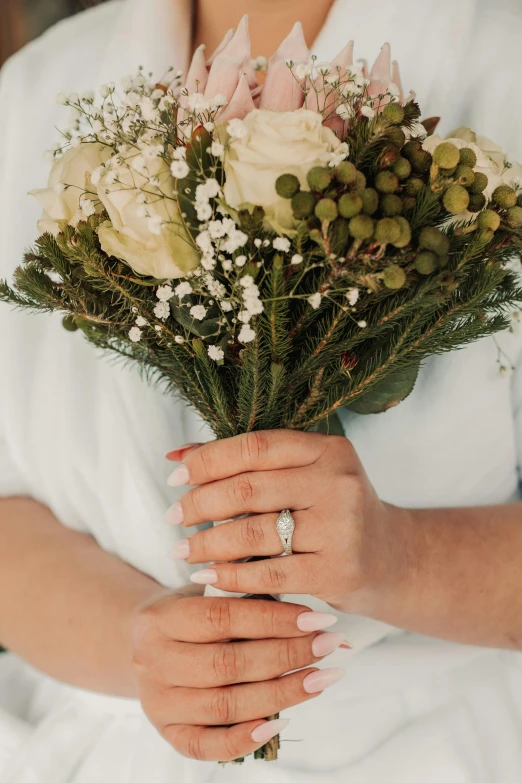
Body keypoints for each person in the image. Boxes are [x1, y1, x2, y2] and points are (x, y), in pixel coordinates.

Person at [1, 0, 522, 779]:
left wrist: (400, 559)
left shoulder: (502, 61)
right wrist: (141, 645)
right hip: (91, 746)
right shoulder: (41, 87)